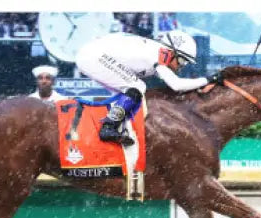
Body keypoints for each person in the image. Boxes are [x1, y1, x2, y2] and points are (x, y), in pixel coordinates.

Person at [76, 29, 207, 144]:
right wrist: (207, 80)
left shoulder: (157, 50)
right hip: (93, 56)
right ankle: (108, 127)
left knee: (128, 91)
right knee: (137, 86)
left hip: (92, 54)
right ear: (172, 52)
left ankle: (110, 124)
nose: (180, 67)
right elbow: (176, 85)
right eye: (182, 61)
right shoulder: (160, 54)